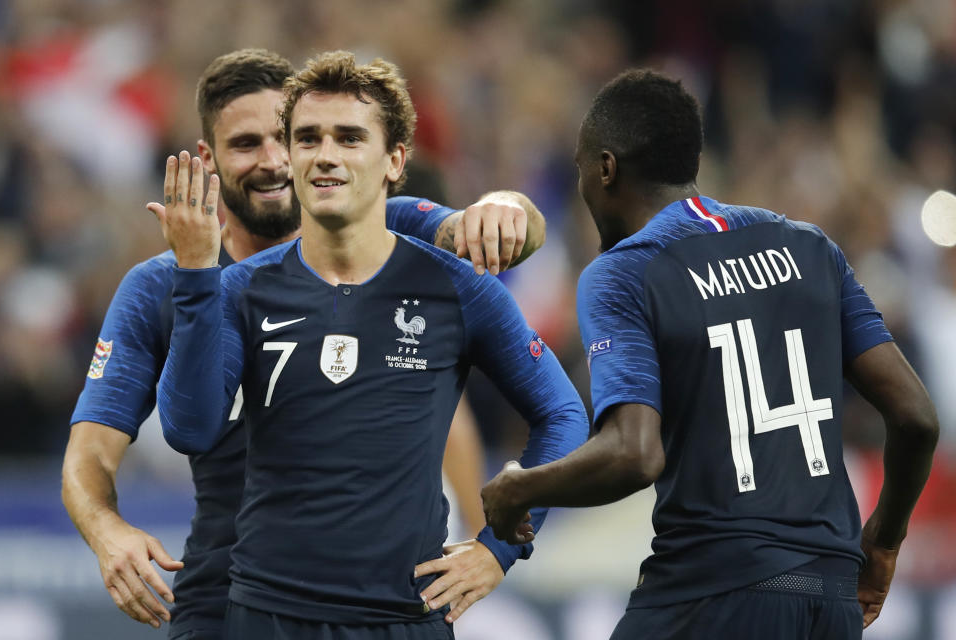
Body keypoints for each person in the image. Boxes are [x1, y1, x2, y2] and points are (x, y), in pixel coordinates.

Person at [61, 48, 546, 639]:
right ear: (208, 161)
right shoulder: (160, 287)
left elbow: (503, 233)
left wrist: (508, 202)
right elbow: (90, 453)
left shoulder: (385, 224)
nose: (271, 162)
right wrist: (107, 531)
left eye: (281, 138)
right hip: (227, 602)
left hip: (377, 604)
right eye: (245, 145)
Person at [481, 69, 940, 639]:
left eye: (580, 169)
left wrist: (518, 487)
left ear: (606, 168)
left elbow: (633, 454)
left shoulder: (626, 271)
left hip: (713, 589)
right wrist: (884, 542)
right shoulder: (809, 246)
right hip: (829, 597)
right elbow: (917, 417)